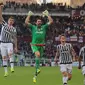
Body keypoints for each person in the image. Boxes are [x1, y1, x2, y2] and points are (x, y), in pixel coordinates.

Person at [25, 10, 53, 83]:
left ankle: (35, 75)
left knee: (38, 58)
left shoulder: (44, 27)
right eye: (38, 21)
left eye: (40, 21)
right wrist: (29, 15)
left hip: (42, 46)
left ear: (41, 22)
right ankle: (37, 69)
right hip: (34, 45)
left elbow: (51, 21)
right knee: (38, 54)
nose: (39, 22)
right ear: (36, 23)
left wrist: (48, 15)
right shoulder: (33, 27)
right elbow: (26, 22)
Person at [0, 3, 17, 77]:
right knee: (4, 58)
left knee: (10, 54)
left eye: (12, 21)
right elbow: (0, 17)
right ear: (8, 21)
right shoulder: (4, 24)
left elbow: (15, 38)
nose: (11, 21)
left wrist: (16, 46)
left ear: (13, 22)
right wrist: (0, 8)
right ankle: (6, 72)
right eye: (10, 20)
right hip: (2, 43)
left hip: (9, 43)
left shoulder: (13, 29)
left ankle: (12, 68)